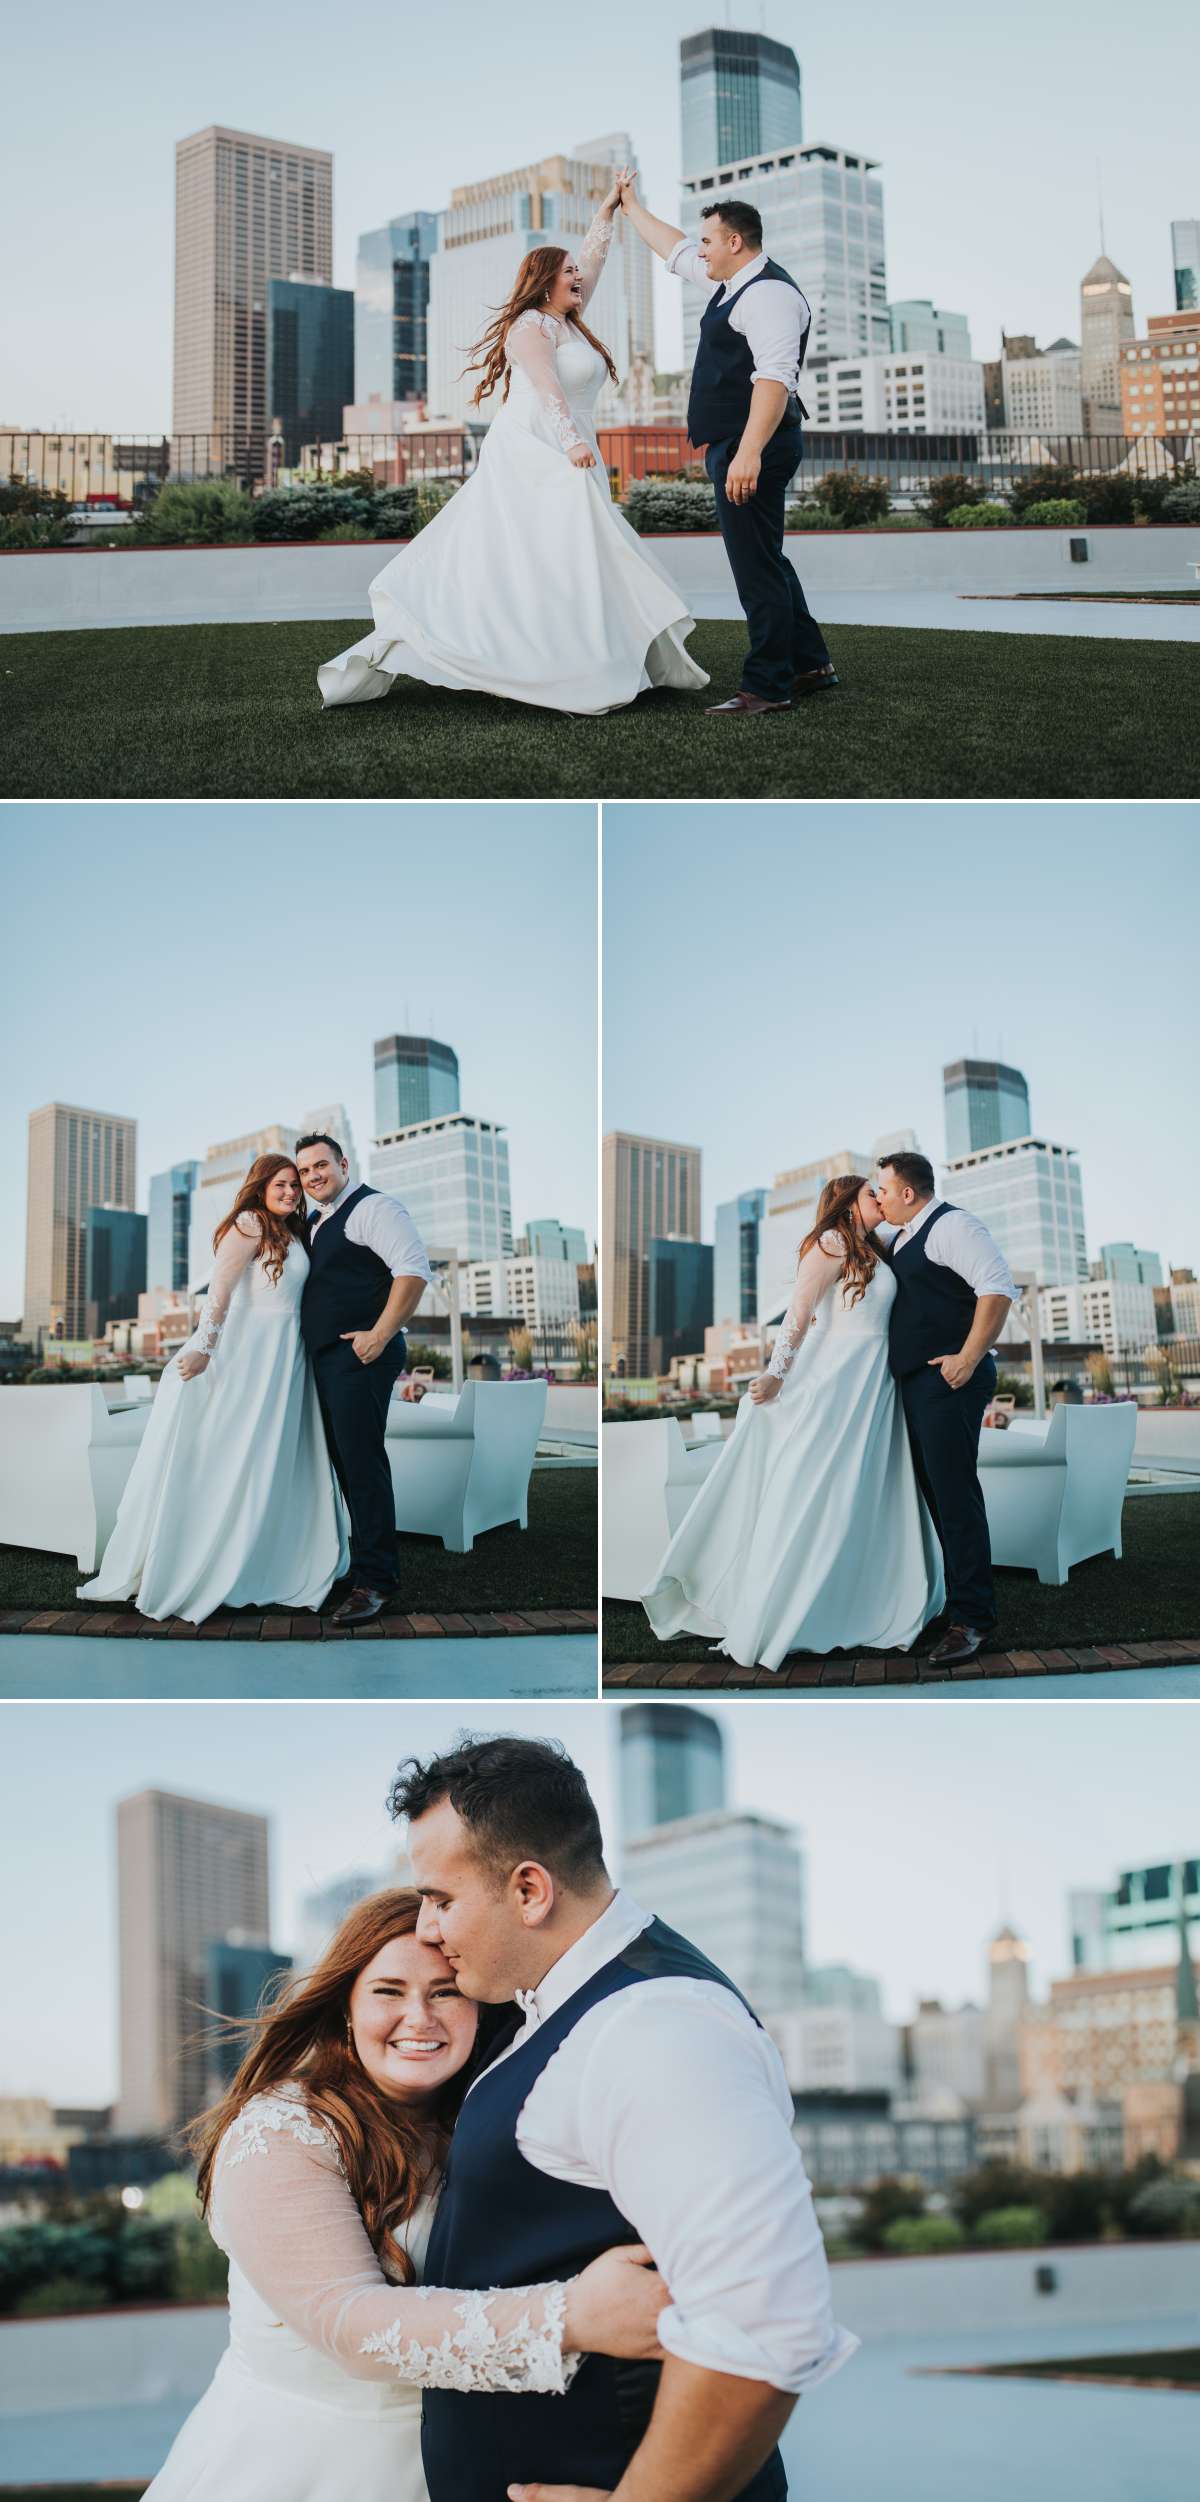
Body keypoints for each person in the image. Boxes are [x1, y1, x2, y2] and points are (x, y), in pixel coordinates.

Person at [394, 1733, 857, 2502]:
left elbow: (765, 2324)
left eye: (441, 1900)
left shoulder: (655, 2026)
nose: (425, 1929)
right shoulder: (554, 2006)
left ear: (530, 1890)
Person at [144, 1889, 667, 2502]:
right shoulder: (282, 2131)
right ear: (346, 2006)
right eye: (389, 1991)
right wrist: (574, 2317)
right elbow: (348, 2324)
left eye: (445, 1992)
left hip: (458, 2467)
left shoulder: (488, 2118)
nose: (419, 2017)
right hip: (301, 2470)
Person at [318, 174, 708, 716]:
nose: (578, 277)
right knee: (542, 552)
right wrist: (571, 443)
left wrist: (609, 211)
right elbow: (547, 388)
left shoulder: (568, 319)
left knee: (573, 553)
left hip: (573, 445)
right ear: (545, 283)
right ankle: (533, 659)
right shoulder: (530, 326)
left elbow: (594, 260)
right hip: (536, 446)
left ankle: (584, 656)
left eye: (576, 272)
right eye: (567, 272)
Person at [641, 1176, 943, 1668]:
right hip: (838, 1380)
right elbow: (798, 1312)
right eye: (871, 1192)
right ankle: (795, 1603)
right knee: (823, 1486)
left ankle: (866, 1595)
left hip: (875, 1383)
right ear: (848, 1202)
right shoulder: (830, 1242)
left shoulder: (877, 1247)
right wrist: (776, 1374)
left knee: (868, 1487)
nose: (880, 1198)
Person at [79, 1154, 348, 1623]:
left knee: (276, 1454)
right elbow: (219, 1292)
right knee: (235, 1450)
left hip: (287, 1355)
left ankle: (269, 1554)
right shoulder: (249, 1224)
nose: (290, 1191)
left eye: (295, 1185)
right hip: (249, 1354)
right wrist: (204, 1348)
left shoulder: (292, 1231)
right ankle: (211, 1559)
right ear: (261, 1187)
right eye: (281, 1184)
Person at [618, 174, 837, 716]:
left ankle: (768, 686)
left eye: (708, 241)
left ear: (734, 242)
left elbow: (775, 379)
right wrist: (630, 206)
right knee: (767, 558)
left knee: (755, 569)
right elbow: (674, 249)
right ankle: (811, 664)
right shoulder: (734, 283)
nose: (701, 251)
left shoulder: (768, 295)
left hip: (754, 445)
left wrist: (748, 453)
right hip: (741, 444)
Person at [873, 1152, 1017, 1667]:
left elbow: (997, 1289)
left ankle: (973, 1622)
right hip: (918, 1385)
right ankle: (954, 1601)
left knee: (955, 1498)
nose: (879, 1199)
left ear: (907, 1192)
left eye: (883, 1190)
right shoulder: (902, 1237)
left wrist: (968, 1357)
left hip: (950, 1380)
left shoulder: (953, 1225)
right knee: (936, 1497)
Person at [295, 1133, 432, 1625]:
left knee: (362, 1464)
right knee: (344, 1465)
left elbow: (413, 1272)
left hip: (360, 1356)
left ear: (344, 1164)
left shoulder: (374, 1208)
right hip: (327, 1360)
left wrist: (379, 1334)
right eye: (305, 1170)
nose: (313, 1176)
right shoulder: (315, 1222)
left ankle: (376, 1582)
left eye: (321, 1165)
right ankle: (361, 1565)